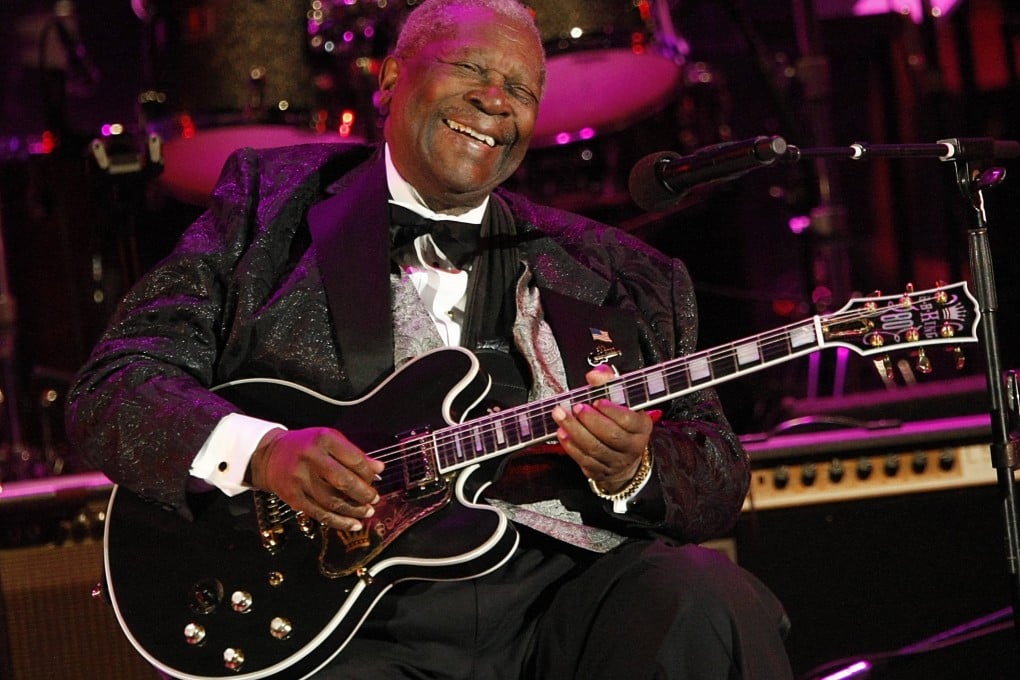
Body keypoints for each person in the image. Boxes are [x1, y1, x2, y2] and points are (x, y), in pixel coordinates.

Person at [66, 0, 794, 677]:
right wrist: (260, 453)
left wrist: (632, 470)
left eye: (522, 89)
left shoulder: (620, 270)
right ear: (389, 78)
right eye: (472, 69)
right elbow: (117, 383)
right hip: (348, 614)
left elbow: (716, 471)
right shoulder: (268, 203)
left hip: (562, 595)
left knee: (708, 599)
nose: (496, 100)